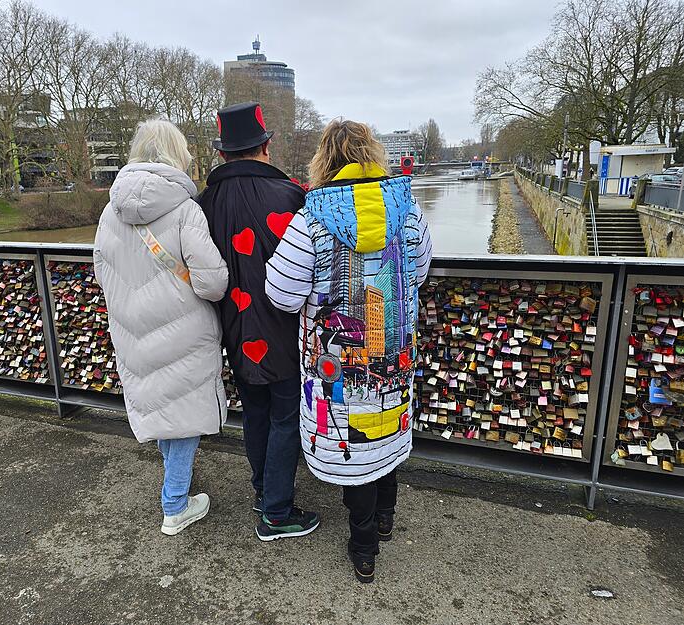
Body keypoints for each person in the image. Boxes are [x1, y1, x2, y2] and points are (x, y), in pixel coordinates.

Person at [265, 119, 433, 582]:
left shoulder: (312, 218)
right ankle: (385, 518)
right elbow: (418, 273)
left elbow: (280, 292)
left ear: (325, 161)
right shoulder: (408, 210)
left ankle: (364, 549)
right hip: (393, 358)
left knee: (354, 447)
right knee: (388, 434)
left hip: (336, 364)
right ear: (373, 154)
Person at [94, 119, 229, 536]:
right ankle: (174, 504)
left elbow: (102, 271)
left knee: (162, 404)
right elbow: (212, 282)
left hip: (133, 329)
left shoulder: (109, 211)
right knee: (183, 410)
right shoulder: (186, 209)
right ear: (178, 155)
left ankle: (176, 489)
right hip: (183, 329)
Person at [198, 102, 320, 541]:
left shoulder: (203, 204)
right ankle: (276, 512)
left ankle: (263, 489)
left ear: (222, 153)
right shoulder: (293, 197)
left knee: (254, 412)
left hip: (233, 328)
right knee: (286, 416)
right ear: (265, 146)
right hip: (284, 329)